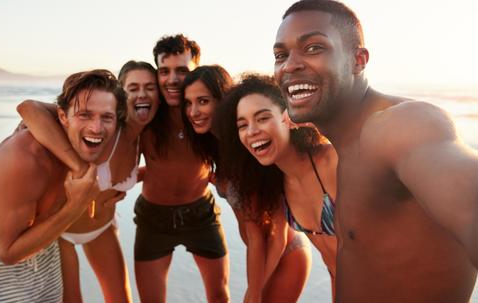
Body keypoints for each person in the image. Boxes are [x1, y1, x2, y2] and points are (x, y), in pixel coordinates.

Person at [274, 1, 478, 302]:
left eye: (313, 47)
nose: (290, 64)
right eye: (280, 55)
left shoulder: (398, 125)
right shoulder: (344, 141)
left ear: (358, 60)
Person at [0, 69, 125, 302]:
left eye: (106, 117)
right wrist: (76, 205)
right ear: (62, 116)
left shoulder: (90, 142)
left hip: (45, 248)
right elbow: (8, 253)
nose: (96, 128)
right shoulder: (24, 158)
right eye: (85, 115)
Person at [15, 61, 160, 303]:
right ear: (119, 95)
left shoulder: (143, 138)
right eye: (133, 88)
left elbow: (136, 172)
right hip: (61, 233)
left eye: (150, 87)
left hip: (102, 229)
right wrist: (80, 168)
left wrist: (124, 185)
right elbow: (29, 108)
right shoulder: (99, 127)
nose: (142, 94)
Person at [182, 66, 312, 302]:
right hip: (263, 258)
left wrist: (254, 290)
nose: (193, 111)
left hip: (284, 256)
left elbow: (274, 234)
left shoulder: (249, 153)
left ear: (222, 102)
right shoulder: (221, 150)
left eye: (202, 101)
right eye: (188, 103)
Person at [215, 74, 337, 301]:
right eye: (242, 125)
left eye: (262, 118)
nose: (251, 131)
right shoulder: (278, 185)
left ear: (288, 117)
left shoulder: (331, 160)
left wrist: (322, 123)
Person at [133, 34, 229, 303]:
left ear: (196, 71)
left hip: (201, 213)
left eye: (182, 70)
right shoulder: (146, 115)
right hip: (153, 218)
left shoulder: (207, 113)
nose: (172, 79)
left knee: (219, 296)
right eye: (164, 71)